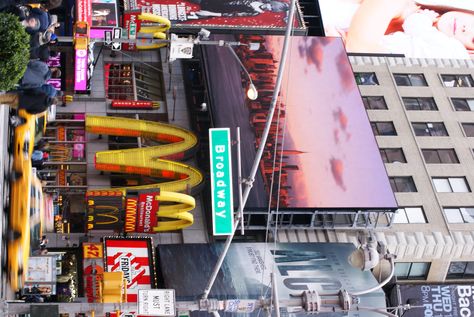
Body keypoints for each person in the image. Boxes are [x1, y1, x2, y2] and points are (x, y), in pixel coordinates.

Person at [343, 0, 474, 58]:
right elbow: (356, 50)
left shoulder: (444, 52)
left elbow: (358, 54)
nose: (465, 29)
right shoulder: (402, 5)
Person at [188, 0, 289, 19]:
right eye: (271, 5)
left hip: (214, 6)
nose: (268, 7)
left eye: (271, 9)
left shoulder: (254, 13)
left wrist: (209, 13)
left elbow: (232, 15)